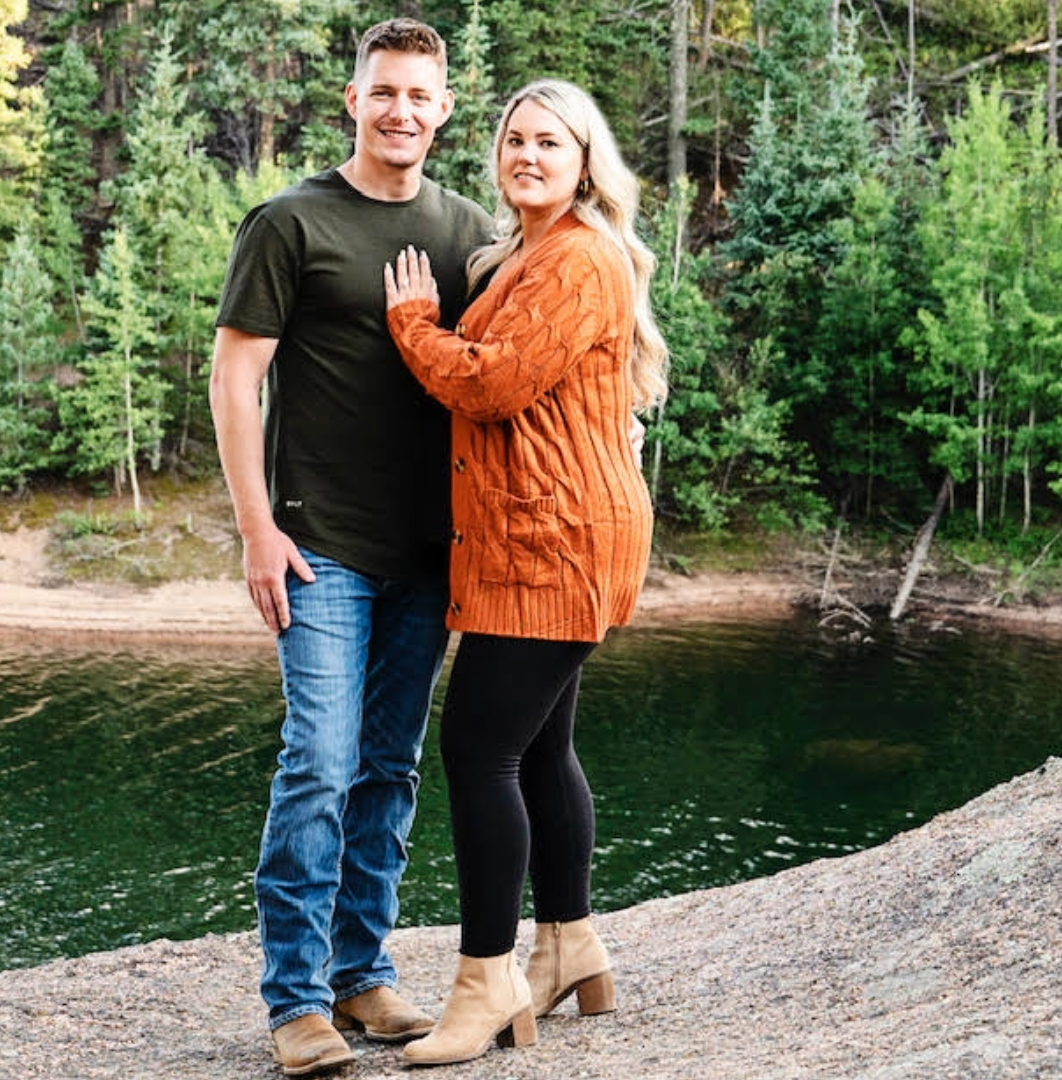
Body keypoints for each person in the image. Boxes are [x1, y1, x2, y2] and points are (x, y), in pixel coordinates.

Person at [208, 17, 494, 1079]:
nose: (400, 111)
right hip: (317, 546)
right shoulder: (290, 222)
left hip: (429, 552)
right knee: (319, 762)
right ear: (353, 100)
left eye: (420, 95)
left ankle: (361, 974)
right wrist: (256, 528)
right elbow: (235, 378)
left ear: (444, 108)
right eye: (384, 92)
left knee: (388, 767)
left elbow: (497, 375)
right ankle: (295, 1001)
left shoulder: (468, 232)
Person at [379, 79, 669, 1066]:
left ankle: (486, 979)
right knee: (541, 748)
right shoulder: (528, 254)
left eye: (550, 142)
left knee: (478, 749)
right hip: (544, 530)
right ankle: (570, 942)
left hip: (556, 537)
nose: (528, 155)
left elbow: (494, 383)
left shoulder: (577, 257)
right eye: (514, 139)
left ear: (585, 163)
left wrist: (414, 323)